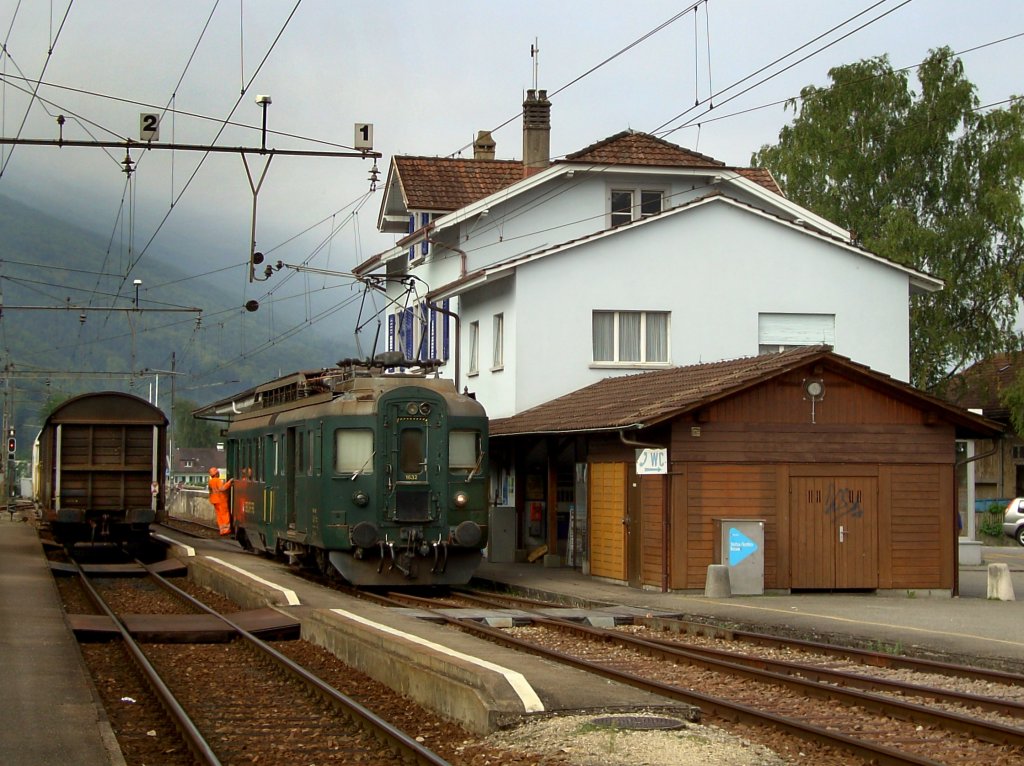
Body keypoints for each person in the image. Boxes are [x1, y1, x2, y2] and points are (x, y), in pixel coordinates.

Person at [207, 466, 233, 536]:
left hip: (214, 500)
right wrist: (229, 482)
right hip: (221, 500)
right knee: (224, 514)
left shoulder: (210, 481)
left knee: (219, 516)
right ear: (216, 474)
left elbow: (210, 491)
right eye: (218, 472)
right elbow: (222, 488)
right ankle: (226, 529)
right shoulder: (217, 480)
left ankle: (222, 530)